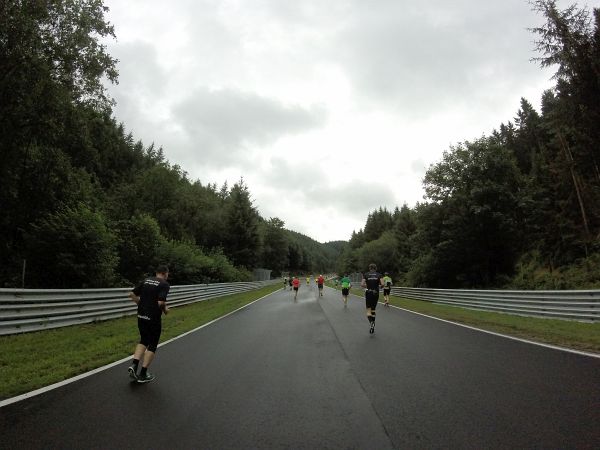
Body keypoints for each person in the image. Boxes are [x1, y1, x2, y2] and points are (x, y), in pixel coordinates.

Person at [127, 265, 170, 383]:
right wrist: (166, 311)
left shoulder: (146, 280)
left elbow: (131, 294)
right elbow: (161, 303)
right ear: (165, 273)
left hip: (141, 316)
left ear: (156, 272)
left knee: (143, 340)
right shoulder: (164, 284)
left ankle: (134, 365)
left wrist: (140, 305)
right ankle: (143, 373)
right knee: (153, 344)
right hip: (153, 318)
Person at [361, 263, 383, 334]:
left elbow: (362, 284)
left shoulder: (366, 274)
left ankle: (371, 323)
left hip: (369, 293)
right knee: (373, 310)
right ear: (375, 268)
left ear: (369, 268)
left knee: (368, 311)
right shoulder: (379, 275)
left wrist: (367, 286)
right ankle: (373, 322)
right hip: (376, 293)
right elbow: (382, 284)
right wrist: (378, 287)